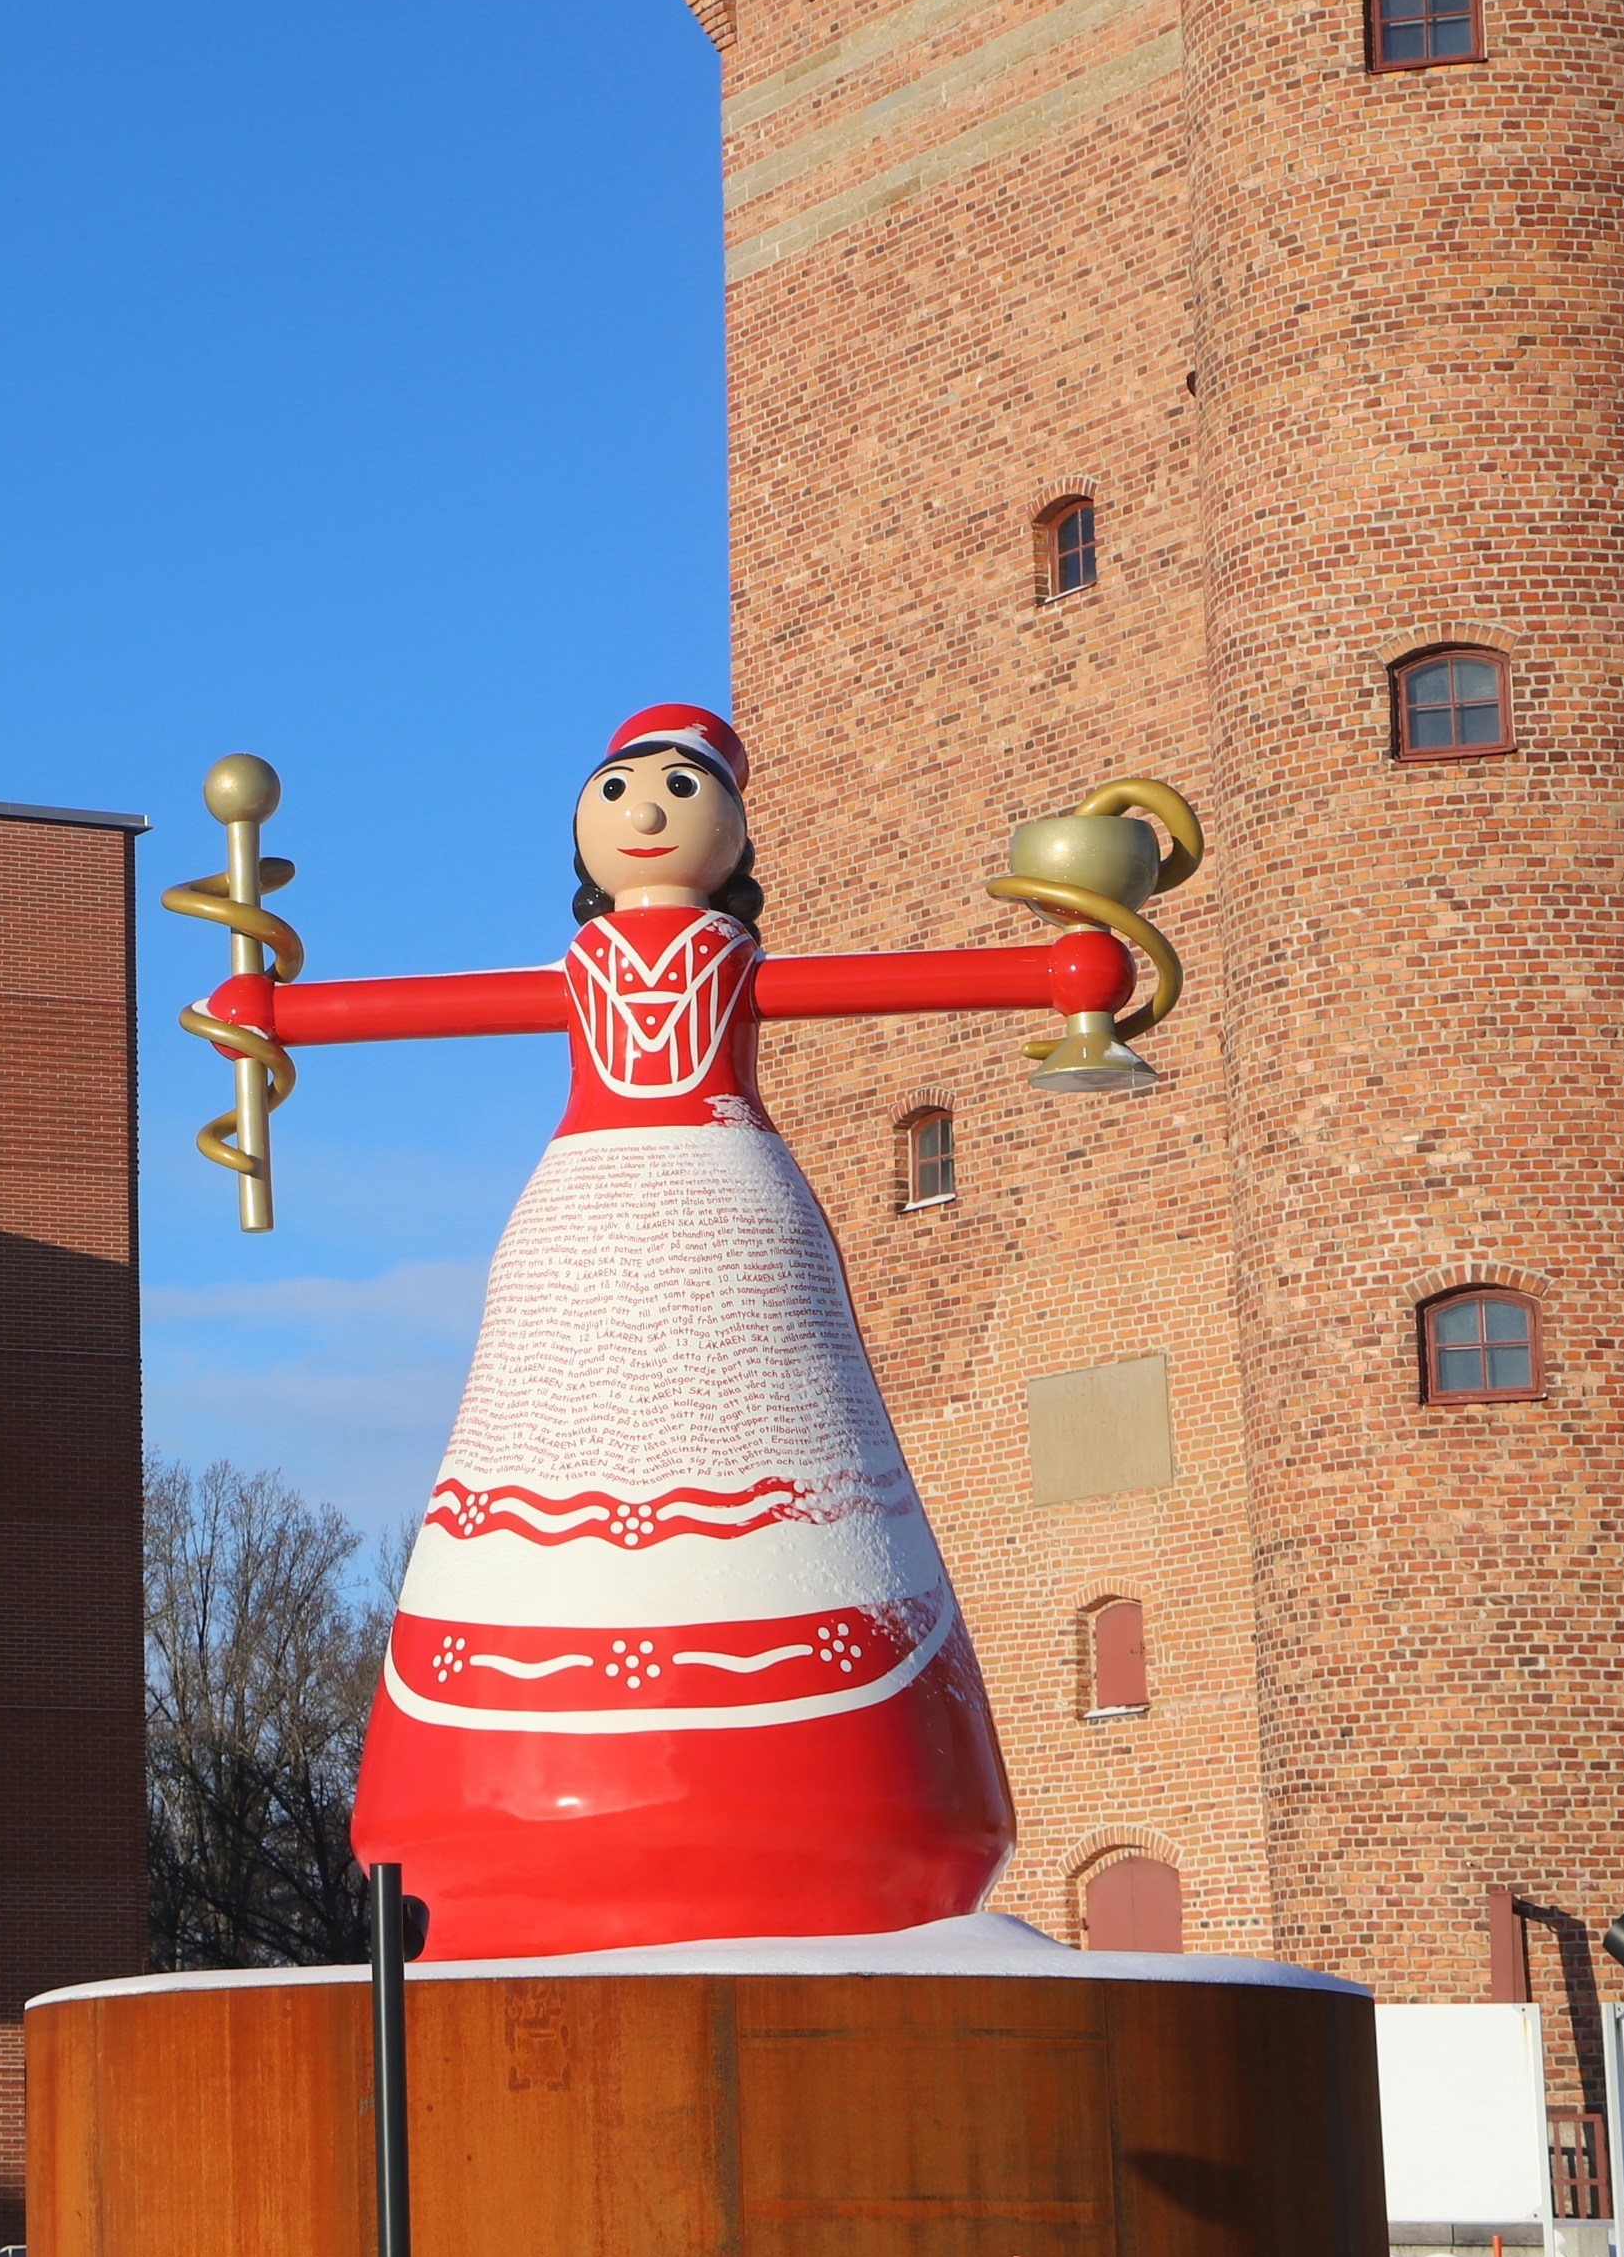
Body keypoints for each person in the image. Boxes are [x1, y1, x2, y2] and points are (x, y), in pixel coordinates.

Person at [201, 703, 1137, 1955]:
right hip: (586, 1226)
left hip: (729, 1220)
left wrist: (1065, 969)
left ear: (733, 826)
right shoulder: (575, 973)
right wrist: (267, 1007)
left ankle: (831, 1796)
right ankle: (490, 1810)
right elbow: (406, 1007)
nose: (644, 810)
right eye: (618, 787)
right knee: (554, 1434)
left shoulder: (732, 967)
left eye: (678, 786)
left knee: (768, 1430)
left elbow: (900, 981)